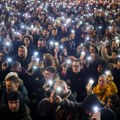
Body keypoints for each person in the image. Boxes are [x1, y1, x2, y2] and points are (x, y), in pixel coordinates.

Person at [50, 93, 117, 120]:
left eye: (90, 111)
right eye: (87, 110)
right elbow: (73, 105)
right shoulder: (83, 107)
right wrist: (62, 101)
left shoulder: (106, 114)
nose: (89, 113)